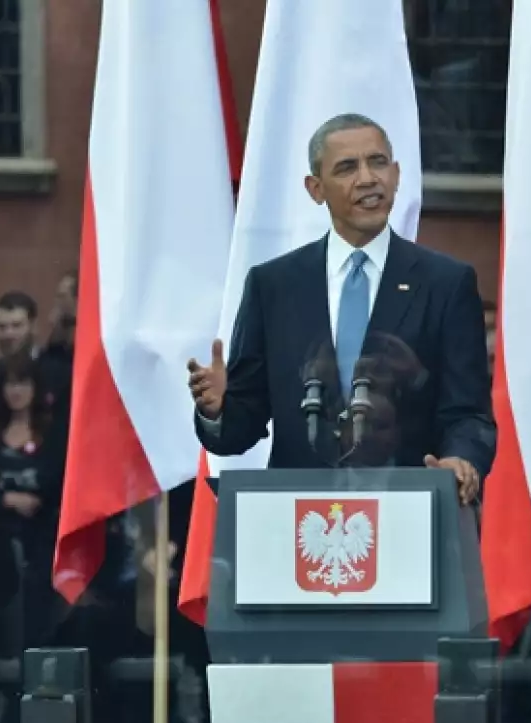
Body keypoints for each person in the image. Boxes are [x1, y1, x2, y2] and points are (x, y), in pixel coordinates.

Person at [186, 113, 495, 502]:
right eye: (348, 167)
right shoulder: (274, 286)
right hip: (301, 528)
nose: (368, 178)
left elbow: (469, 414)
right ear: (316, 189)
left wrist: (461, 459)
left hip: (407, 515)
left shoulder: (446, 284)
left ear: (397, 175)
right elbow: (238, 432)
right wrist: (218, 410)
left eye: (378, 162)